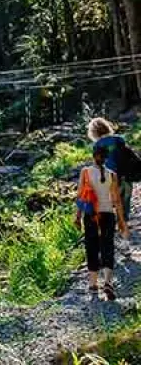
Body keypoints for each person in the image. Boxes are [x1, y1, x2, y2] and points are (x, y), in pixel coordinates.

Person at [76, 144, 129, 300]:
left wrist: (77, 216)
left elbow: (80, 196)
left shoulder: (85, 172)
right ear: (106, 158)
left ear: (94, 156)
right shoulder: (112, 174)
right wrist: (121, 221)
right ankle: (107, 282)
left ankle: (93, 284)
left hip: (91, 215)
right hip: (108, 215)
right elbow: (117, 201)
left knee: (91, 247)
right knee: (107, 247)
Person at [87, 117, 133, 222]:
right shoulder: (119, 139)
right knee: (125, 198)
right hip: (126, 174)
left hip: (110, 176)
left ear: (94, 132)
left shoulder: (97, 145)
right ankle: (124, 219)